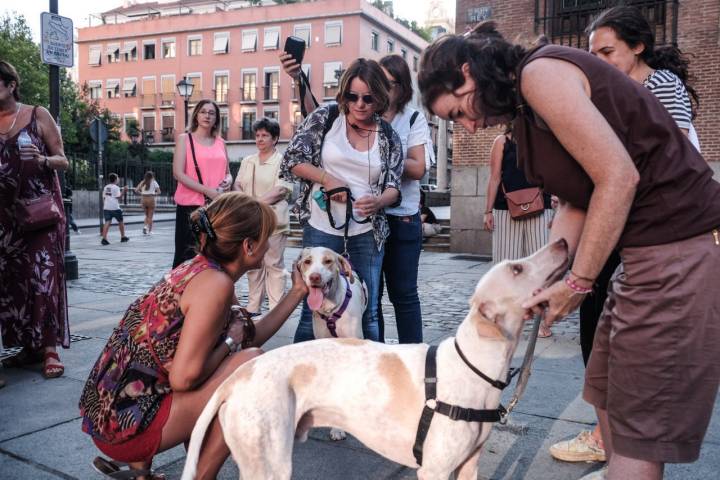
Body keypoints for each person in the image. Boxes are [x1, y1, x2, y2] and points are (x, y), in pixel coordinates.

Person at [419, 22, 720, 480]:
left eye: (459, 109)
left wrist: (578, 282)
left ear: (469, 72)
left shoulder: (539, 75)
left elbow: (618, 178)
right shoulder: (523, 113)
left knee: (640, 431)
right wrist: (548, 275)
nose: (469, 124)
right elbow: (579, 200)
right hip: (639, 257)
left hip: (672, 253)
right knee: (607, 398)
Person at [549, 5, 705, 465]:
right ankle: (607, 436)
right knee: (595, 336)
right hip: (618, 225)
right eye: (592, 53)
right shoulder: (607, 95)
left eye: (608, 51)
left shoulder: (660, 86)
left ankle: (613, 443)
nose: (598, 61)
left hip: (650, 229)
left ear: (638, 47)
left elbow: (663, 159)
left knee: (620, 346)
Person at [79, 192, 308, 480]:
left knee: (239, 360)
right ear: (248, 246)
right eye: (267, 239)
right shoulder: (215, 285)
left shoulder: (199, 269)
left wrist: (297, 291)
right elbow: (184, 378)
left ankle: (141, 473)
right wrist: (229, 342)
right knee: (253, 368)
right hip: (126, 429)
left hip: (109, 413)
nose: (270, 246)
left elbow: (249, 335)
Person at [280, 58, 403, 343]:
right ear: (344, 94)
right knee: (312, 308)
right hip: (322, 225)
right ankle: (305, 377)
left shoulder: (387, 135)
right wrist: (327, 179)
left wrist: (379, 201)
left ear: (380, 98)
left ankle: (368, 377)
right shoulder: (325, 118)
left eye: (368, 98)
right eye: (352, 96)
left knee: (368, 310)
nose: (360, 104)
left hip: (366, 232)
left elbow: (394, 186)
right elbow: (292, 160)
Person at [0, 60, 70, 379]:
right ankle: (28, 347)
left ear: (10, 84)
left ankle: (50, 348)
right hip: (5, 218)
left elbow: (63, 160)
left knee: (42, 278)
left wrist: (42, 160)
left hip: (39, 213)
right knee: (13, 282)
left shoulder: (37, 114)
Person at [483, 124, 553, 337]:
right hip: (505, 210)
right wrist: (487, 211)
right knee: (505, 267)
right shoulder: (501, 142)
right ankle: (504, 318)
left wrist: (558, 196)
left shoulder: (542, 138)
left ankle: (542, 322)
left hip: (541, 207)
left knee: (540, 269)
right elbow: (495, 177)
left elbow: (551, 171)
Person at [233, 118, 292, 316]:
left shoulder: (282, 161)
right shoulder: (247, 161)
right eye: (257, 135)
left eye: (265, 135)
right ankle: (253, 307)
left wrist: (254, 204)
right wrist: (245, 200)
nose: (260, 139)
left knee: (274, 265)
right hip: (251, 222)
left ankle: (276, 310)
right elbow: (238, 184)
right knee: (252, 264)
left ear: (275, 139)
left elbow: (281, 189)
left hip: (274, 221)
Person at [172, 99, 232, 268]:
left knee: (214, 255)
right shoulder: (185, 139)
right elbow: (178, 173)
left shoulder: (221, 143)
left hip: (217, 207)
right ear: (196, 116)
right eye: (203, 112)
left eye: (211, 113)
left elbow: (228, 172)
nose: (207, 116)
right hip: (191, 208)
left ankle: (209, 292)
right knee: (187, 256)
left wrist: (228, 181)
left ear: (216, 119)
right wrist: (207, 190)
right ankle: (180, 293)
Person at [101, 173, 129, 245]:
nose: (118, 179)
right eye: (118, 178)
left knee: (107, 222)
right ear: (116, 179)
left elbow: (104, 197)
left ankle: (104, 238)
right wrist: (124, 191)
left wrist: (105, 204)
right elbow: (119, 197)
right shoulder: (116, 187)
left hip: (107, 207)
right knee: (120, 221)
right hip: (115, 207)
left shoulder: (106, 187)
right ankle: (123, 237)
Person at [135, 170, 161, 235]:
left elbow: (136, 190)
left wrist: (142, 193)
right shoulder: (154, 182)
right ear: (152, 176)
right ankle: (149, 230)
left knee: (147, 215)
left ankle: (145, 226)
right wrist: (153, 194)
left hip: (143, 199)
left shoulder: (142, 182)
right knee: (150, 216)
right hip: (151, 199)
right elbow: (159, 192)